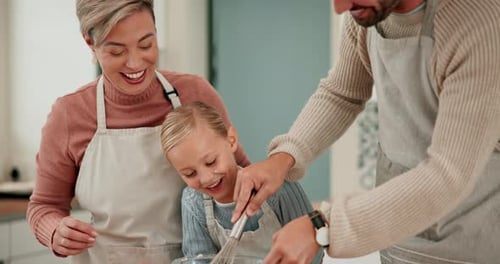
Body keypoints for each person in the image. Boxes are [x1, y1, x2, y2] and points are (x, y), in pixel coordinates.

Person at [231, 0, 500, 263]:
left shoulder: (478, 23)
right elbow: (342, 93)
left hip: (471, 242)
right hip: (397, 239)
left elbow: (448, 174)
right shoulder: (366, 13)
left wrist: (323, 227)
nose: (340, 7)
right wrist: (283, 158)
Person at [26, 1, 250, 263]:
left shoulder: (195, 94)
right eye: (116, 51)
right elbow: (44, 206)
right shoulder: (69, 114)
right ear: (90, 43)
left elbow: (242, 175)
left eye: (146, 44)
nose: (135, 63)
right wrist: (55, 231)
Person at [160, 101, 322, 262]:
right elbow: (198, 259)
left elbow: (313, 251)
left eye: (211, 162)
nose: (206, 178)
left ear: (231, 141)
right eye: (190, 174)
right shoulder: (193, 202)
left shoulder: (278, 188)